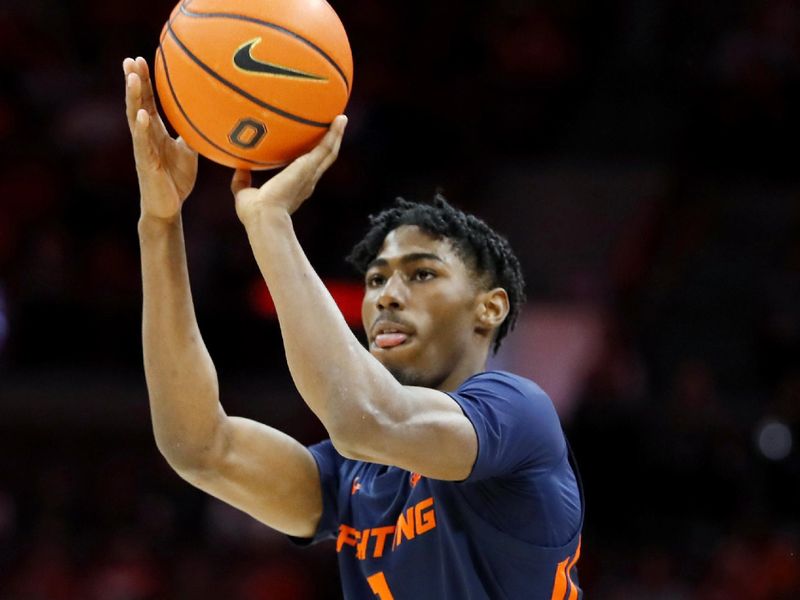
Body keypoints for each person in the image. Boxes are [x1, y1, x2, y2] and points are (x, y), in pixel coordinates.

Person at [124, 54, 583, 600]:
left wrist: (270, 224)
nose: (387, 294)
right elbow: (199, 447)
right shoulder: (354, 477)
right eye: (376, 280)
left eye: (421, 274)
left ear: (489, 308)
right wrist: (160, 222)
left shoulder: (517, 413)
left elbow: (364, 417)